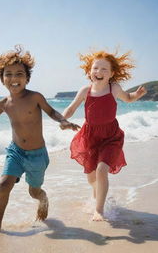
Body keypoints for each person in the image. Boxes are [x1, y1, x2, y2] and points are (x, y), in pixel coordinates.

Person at [0, 45, 80, 234]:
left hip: (37, 156)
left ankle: (43, 199)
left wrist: (63, 121)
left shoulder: (35, 97)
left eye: (19, 74)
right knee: (4, 184)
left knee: (34, 192)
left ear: (27, 78)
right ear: (2, 79)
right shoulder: (4, 104)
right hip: (16, 152)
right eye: (8, 74)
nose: (14, 78)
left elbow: (51, 111)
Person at [61, 50, 147, 221]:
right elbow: (71, 108)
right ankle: (99, 194)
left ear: (112, 74)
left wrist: (136, 95)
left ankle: (99, 210)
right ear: (89, 70)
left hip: (110, 136)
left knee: (101, 170)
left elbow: (128, 98)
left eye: (104, 69)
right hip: (90, 136)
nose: (98, 72)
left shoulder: (113, 88)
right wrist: (62, 119)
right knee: (91, 177)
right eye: (95, 68)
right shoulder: (85, 90)